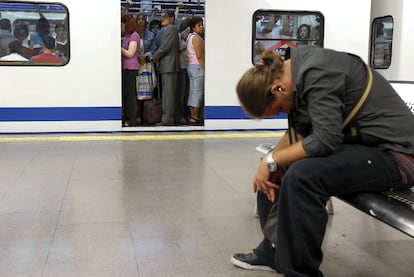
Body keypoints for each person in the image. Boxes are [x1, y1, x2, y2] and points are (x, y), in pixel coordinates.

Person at [231, 46, 414, 276]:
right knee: (278, 171)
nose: (283, 113)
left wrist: (271, 159)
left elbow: (326, 139)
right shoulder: (298, 75)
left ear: (278, 88)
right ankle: (273, 250)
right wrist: (270, 163)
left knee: (303, 176)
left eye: (278, 109)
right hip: (368, 147)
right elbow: (299, 132)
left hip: (399, 155)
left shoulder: (319, 73)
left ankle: (300, 271)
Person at [151, 10, 180, 126]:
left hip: (169, 66)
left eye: (165, 17)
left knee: (169, 94)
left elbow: (165, 47)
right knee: (167, 94)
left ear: (172, 18)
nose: (162, 19)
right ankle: (167, 117)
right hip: (166, 66)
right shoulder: (167, 30)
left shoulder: (172, 29)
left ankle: (168, 119)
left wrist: (154, 56)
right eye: (162, 17)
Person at [121, 14, 140, 127]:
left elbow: (130, 53)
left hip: (130, 68)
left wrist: (118, 48)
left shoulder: (134, 36)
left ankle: (132, 119)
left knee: (130, 95)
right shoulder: (127, 36)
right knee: (126, 95)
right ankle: (127, 117)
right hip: (125, 68)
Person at [186, 17, 205, 124]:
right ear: (193, 27)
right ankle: (195, 116)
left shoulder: (189, 37)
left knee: (193, 91)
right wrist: (204, 68)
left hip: (191, 66)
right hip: (198, 67)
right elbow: (199, 55)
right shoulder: (197, 38)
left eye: (201, 24)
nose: (201, 27)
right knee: (197, 92)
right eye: (199, 25)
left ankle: (193, 114)